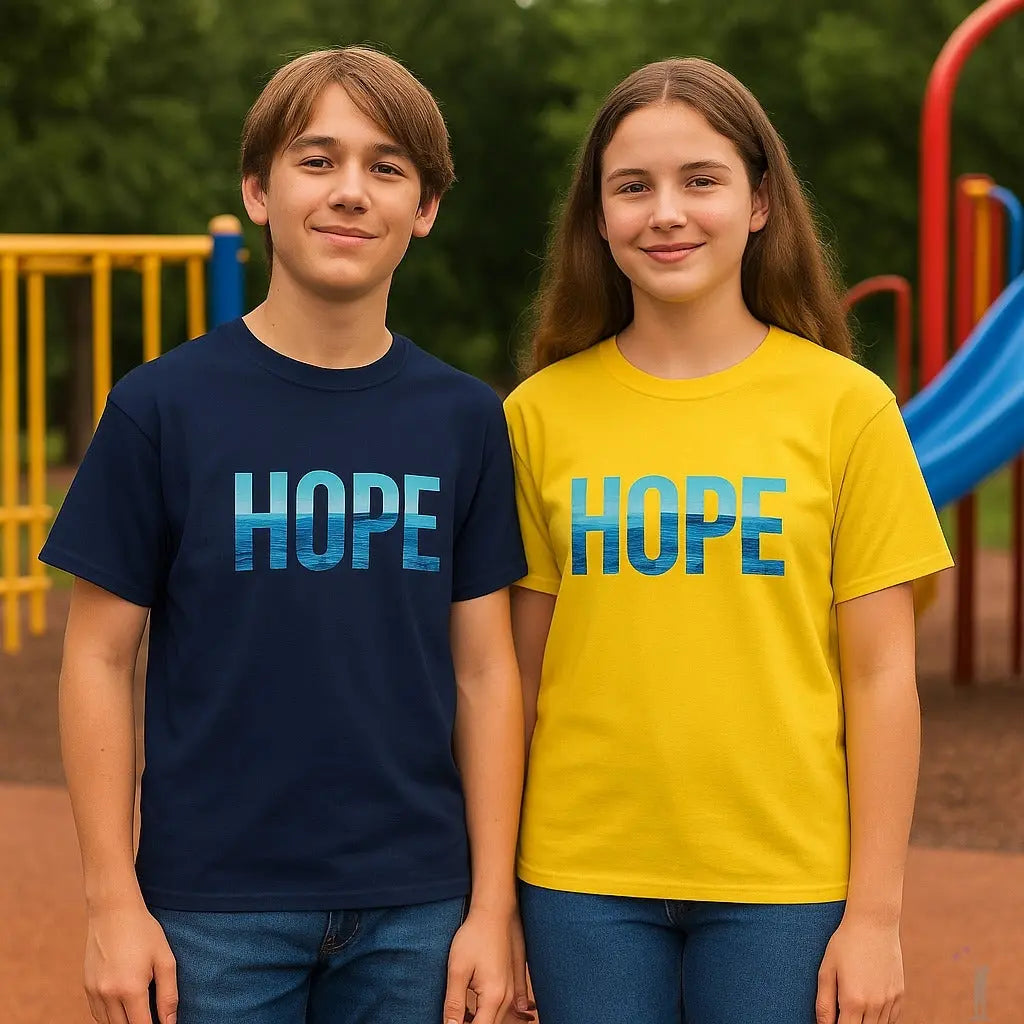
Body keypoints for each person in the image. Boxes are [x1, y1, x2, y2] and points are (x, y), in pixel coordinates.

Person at [41, 46, 530, 1024]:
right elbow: (97, 658)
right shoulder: (160, 408)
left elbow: (485, 671)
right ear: (258, 191)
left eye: (386, 167)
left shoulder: (466, 419)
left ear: (425, 208)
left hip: (418, 908)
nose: (350, 190)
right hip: (209, 910)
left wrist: (491, 906)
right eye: (317, 159)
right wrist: (110, 900)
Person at [503, 57, 952, 1024]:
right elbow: (515, 680)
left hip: (785, 886)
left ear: (759, 202)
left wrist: (876, 915)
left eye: (700, 180)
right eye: (633, 187)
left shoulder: (848, 409)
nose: (666, 213)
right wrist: (494, 901)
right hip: (580, 881)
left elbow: (882, 678)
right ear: (598, 219)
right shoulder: (537, 415)